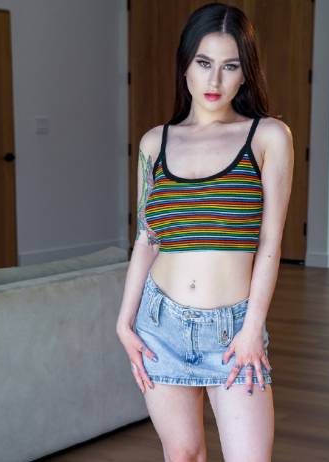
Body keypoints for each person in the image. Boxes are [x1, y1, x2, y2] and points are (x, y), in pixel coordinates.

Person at [116, 2, 294, 461]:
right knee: (184, 455)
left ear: (245, 74)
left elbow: (271, 242)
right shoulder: (154, 143)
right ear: (185, 67)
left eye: (230, 66)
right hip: (159, 327)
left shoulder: (268, 137)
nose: (214, 80)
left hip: (233, 332)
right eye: (203, 62)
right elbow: (147, 238)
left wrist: (252, 328)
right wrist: (124, 321)